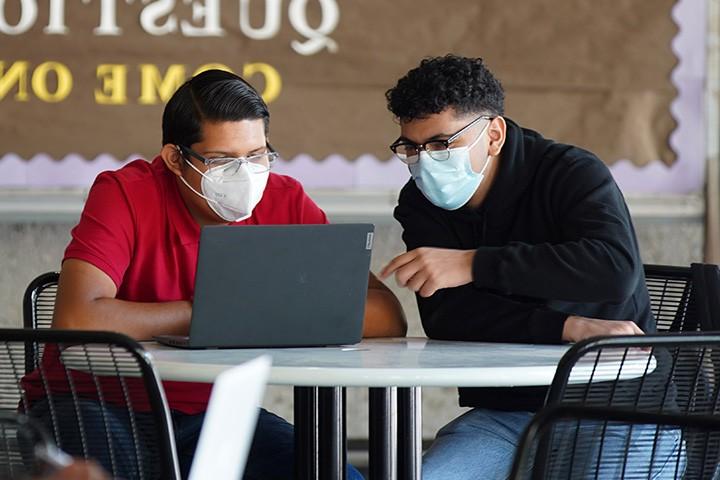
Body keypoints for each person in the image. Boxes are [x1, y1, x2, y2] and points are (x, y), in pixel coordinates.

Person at [26, 69, 406, 479]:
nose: (245, 174)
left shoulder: (285, 201)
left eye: (258, 155)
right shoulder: (124, 193)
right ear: (175, 159)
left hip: (213, 414)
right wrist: (216, 312)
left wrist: (247, 313)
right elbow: (77, 320)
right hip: (91, 401)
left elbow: (386, 315)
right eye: (223, 160)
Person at [380, 55, 683, 479]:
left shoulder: (571, 172)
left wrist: (474, 264)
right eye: (410, 147)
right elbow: (449, 316)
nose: (424, 162)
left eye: (441, 144)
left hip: (621, 407)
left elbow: (613, 269)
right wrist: (567, 328)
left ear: (494, 134)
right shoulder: (420, 201)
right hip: (509, 413)